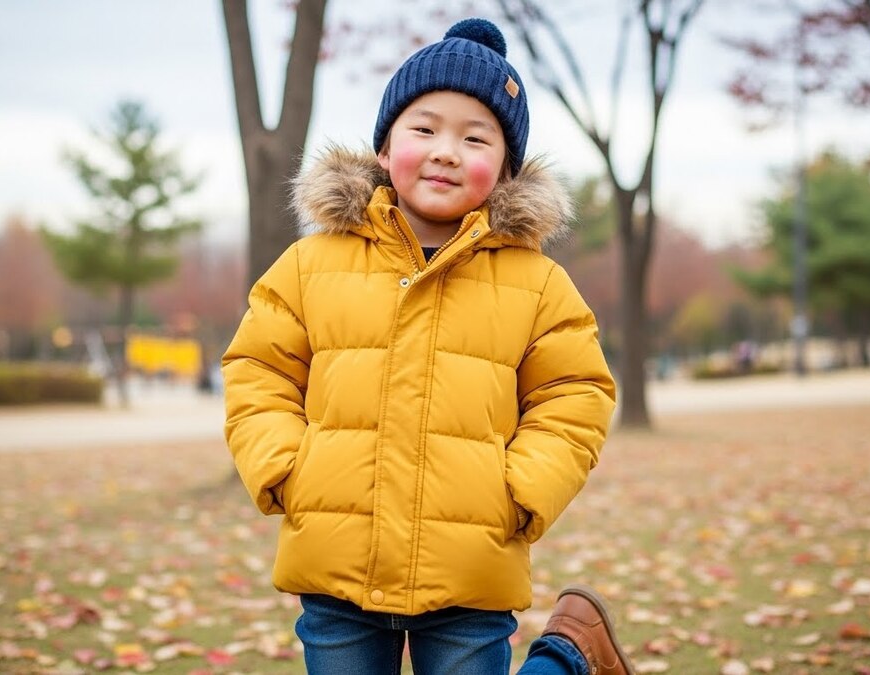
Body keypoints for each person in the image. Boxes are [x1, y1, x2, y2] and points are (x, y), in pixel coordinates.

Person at [222, 17, 631, 675]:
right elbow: (258, 368)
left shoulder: (538, 283)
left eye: (474, 138)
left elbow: (575, 395)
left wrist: (520, 490)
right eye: (425, 128)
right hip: (335, 561)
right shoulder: (309, 264)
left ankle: (564, 661)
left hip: (468, 565)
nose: (445, 150)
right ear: (385, 147)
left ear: (503, 170)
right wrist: (284, 468)